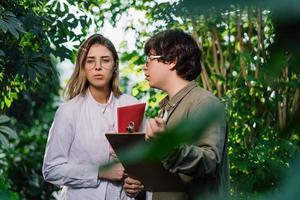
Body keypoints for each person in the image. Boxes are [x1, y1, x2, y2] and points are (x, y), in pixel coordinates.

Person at [124, 29, 229, 200]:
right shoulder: (166, 108)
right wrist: (142, 185)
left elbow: (210, 162)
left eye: (150, 58)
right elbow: (168, 175)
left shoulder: (205, 103)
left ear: (172, 61)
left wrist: (168, 149)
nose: (145, 65)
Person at [42, 34, 144, 200]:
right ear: (82, 66)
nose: (98, 67)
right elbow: (51, 170)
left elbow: (144, 162)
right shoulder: (68, 111)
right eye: (90, 61)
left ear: (115, 65)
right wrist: (99, 172)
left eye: (105, 60)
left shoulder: (132, 105)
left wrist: (137, 182)